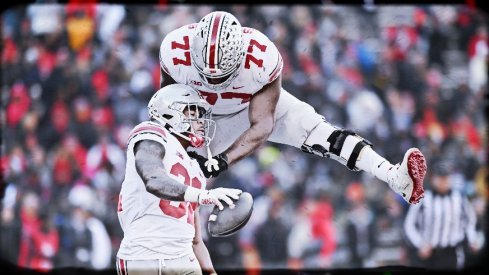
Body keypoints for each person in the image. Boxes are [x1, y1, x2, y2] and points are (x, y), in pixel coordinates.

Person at [158, 11, 427, 205]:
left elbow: (263, 123)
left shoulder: (262, 56)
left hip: (253, 105)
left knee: (323, 134)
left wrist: (224, 160)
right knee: (173, 169)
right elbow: (166, 104)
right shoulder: (174, 49)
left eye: (221, 76)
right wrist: (191, 143)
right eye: (208, 75)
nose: (214, 81)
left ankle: (393, 176)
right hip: (205, 115)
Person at [116, 84, 243, 275]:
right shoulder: (152, 134)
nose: (200, 121)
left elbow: (195, 240)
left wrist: (211, 272)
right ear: (170, 113)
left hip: (184, 258)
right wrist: (203, 196)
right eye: (193, 112)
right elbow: (153, 179)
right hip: (144, 255)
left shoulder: (194, 168)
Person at [403, 160, 484, 270]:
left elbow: (470, 220)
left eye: (446, 178)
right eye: (440, 178)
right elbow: (409, 224)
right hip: (429, 254)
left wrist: (472, 238)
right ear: (433, 179)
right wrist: (420, 243)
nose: (443, 181)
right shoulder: (422, 199)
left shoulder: (459, 198)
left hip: (451, 253)